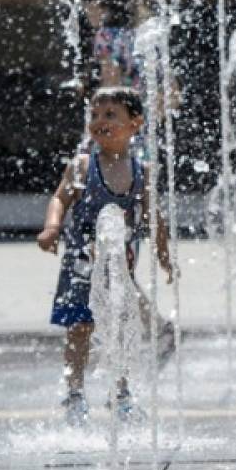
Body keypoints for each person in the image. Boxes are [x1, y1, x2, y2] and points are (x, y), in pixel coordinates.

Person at [36, 87, 175, 426]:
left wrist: (163, 254)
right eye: (94, 116)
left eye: (110, 115)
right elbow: (60, 198)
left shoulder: (141, 172)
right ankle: (74, 393)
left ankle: (121, 392)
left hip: (119, 270)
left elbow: (155, 216)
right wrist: (52, 227)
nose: (100, 122)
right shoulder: (83, 166)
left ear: (135, 124)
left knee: (118, 326)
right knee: (79, 327)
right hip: (81, 266)